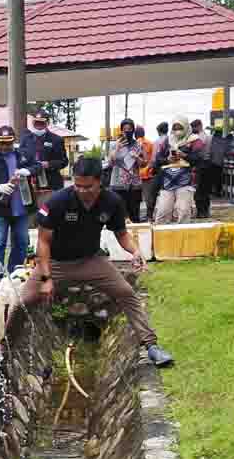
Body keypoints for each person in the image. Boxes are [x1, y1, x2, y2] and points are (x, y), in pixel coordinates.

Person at [24, 157, 174, 367]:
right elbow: (43, 242)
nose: (82, 191)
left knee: (126, 293)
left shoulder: (112, 202)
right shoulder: (57, 201)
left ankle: (151, 346)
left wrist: (135, 252)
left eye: (88, 186)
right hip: (55, 264)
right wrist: (46, 278)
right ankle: (3, 348)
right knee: (22, 302)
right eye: (77, 185)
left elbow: (122, 234)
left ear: (99, 181)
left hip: (91, 261)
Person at [0, 125, 37, 273]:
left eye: (8, 143)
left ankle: (15, 272)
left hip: (21, 208)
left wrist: (28, 170)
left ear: (13, 141)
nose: (4, 146)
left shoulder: (23, 155)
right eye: (2, 143)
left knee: (22, 242)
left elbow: (38, 166)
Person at [19, 108, 68, 191]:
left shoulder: (56, 140)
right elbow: (21, 158)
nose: (38, 125)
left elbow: (64, 161)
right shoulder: (25, 139)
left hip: (52, 182)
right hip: (31, 182)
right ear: (32, 122)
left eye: (41, 122)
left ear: (47, 123)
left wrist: (49, 164)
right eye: (36, 122)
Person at [108, 118, 145, 223]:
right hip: (118, 184)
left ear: (133, 130)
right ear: (121, 130)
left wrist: (137, 157)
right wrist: (117, 148)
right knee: (120, 216)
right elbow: (110, 162)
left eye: (130, 129)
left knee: (134, 215)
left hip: (134, 185)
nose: (127, 131)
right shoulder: (114, 144)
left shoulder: (138, 145)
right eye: (125, 129)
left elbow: (143, 164)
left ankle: (135, 232)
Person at [153, 148, 196, 224]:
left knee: (184, 209)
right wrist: (167, 160)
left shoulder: (188, 147)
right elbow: (155, 164)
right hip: (166, 186)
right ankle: (161, 228)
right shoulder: (164, 148)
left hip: (184, 185)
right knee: (163, 210)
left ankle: (183, 227)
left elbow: (198, 161)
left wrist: (185, 156)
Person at [144, 122, 169, 222]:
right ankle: (167, 215)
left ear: (158, 131)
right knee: (167, 193)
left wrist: (151, 168)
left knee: (152, 193)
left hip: (159, 169)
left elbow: (154, 158)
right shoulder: (170, 140)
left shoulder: (157, 142)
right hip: (170, 170)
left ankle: (149, 216)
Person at [190, 119, 214, 218]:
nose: (193, 130)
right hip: (208, 165)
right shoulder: (209, 137)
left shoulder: (198, 138)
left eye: (194, 127)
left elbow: (196, 152)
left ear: (199, 126)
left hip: (201, 165)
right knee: (206, 190)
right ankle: (206, 211)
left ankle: (201, 212)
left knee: (199, 190)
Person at [208, 128, 229, 197]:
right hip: (219, 162)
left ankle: (211, 191)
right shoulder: (223, 141)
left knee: (211, 178)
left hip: (211, 162)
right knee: (218, 178)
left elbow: (209, 151)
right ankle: (218, 192)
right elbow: (226, 151)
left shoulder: (211, 140)